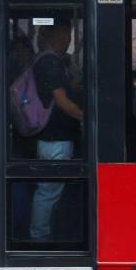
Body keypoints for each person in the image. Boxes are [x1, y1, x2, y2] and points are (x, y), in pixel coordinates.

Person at [28, 22, 83, 242]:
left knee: (50, 191)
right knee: (48, 191)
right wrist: (89, 118)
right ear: (55, 34)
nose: (68, 39)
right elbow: (62, 101)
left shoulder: (47, 60)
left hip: (50, 137)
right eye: (66, 33)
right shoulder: (50, 62)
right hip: (55, 139)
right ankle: (39, 237)